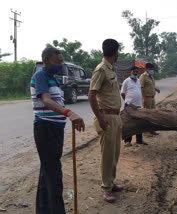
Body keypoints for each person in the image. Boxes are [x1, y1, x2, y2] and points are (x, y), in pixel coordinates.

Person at [30, 47, 85, 214]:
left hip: (55, 129)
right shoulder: (40, 76)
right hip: (45, 129)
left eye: (61, 61)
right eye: (57, 62)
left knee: (46, 172)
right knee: (54, 175)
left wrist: (65, 115)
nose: (60, 65)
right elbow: (46, 100)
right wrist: (69, 113)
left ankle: (43, 210)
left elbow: (58, 103)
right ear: (46, 61)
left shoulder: (53, 78)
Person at [88, 39, 123, 203]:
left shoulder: (111, 69)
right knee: (107, 154)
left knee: (115, 152)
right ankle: (106, 188)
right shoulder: (101, 70)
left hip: (116, 116)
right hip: (106, 117)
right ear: (116, 53)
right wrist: (100, 119)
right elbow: (91, 95)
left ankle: (111, 182)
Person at [121, 66, 147, 146]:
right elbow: (122, 93)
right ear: (130, 72)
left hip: (138, 105)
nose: (135, 73)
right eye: (134, 72)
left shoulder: (138, 81)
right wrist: (127, 102)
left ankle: (139, 140)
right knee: (129, 123)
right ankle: (127, 141)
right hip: (129, 105)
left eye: (136, 72)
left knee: (139, 123)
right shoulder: (126, 81)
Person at [139, 63, 160, 136]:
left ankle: (152, 130)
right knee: (146, 115)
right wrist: (144, 98)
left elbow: (150, 86)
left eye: (152, 69)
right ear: (146, 69)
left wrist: (156, 89)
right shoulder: (143, 77)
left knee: (153, 115)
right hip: (147, 98)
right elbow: (141, 88)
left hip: (152, 98)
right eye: (150, 69)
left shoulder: (151, 76)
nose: (151, 70)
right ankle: (145, 131)